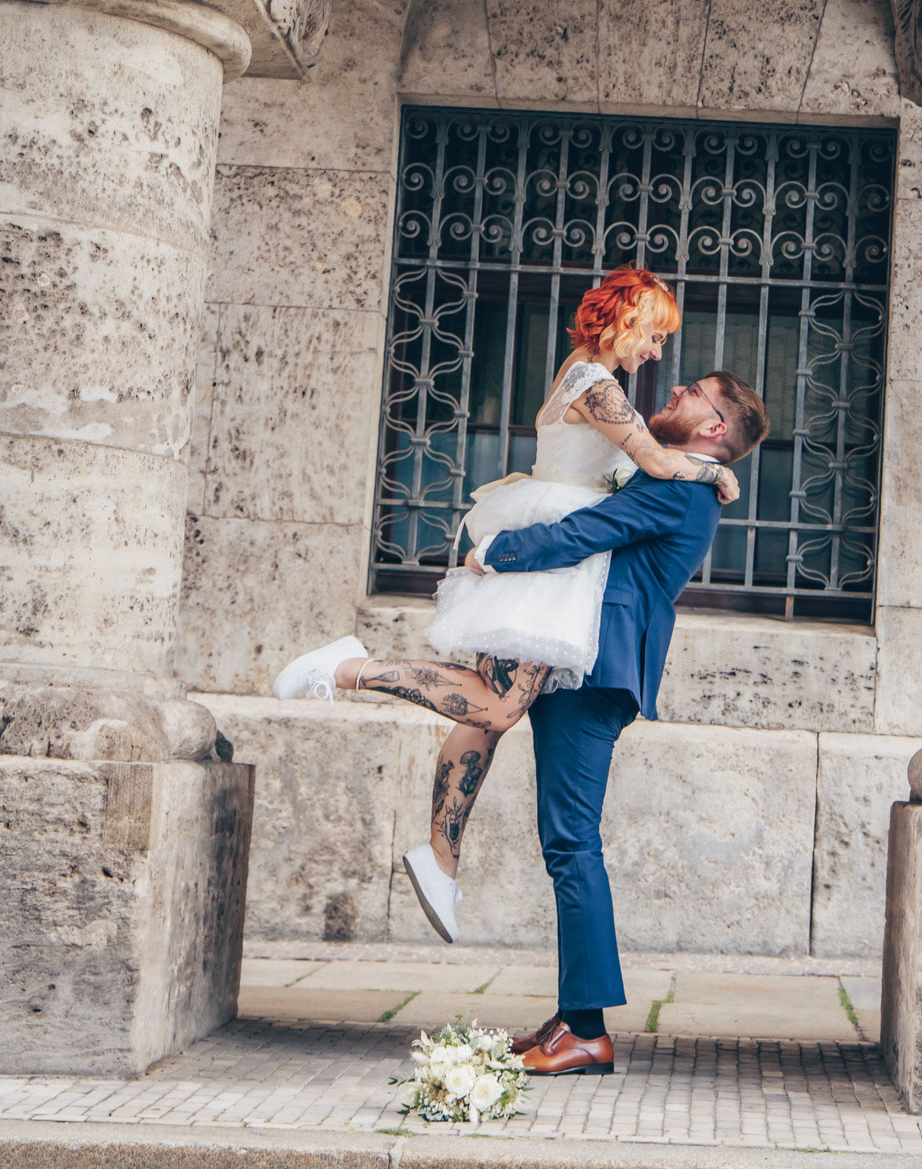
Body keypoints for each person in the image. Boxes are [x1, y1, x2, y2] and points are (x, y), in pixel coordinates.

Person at [272, 266, 741, 944]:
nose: (657, 354)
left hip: (552, 547)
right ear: (628, 318)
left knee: (488, 709)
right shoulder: (595, 382)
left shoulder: (591, 375)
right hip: (552, 553)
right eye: (656, 336)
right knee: (498, 704)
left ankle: (440, 857)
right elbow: (660, 463)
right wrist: (717, 471)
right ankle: (350, 668)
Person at [476, 367, 770, 1076]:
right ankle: (573, 1015)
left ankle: (586, 1030)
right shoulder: (686, 477)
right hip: (589, 665)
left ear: (715, 428)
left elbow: (588, 532)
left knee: (573, 843)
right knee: (565, 840)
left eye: (692, 393)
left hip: (595, 670)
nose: (673, 392)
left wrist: (494, 554)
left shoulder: (679, 486)